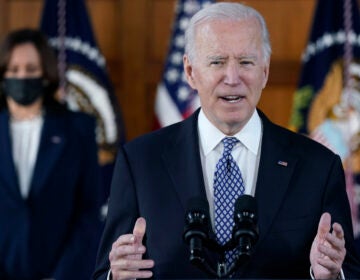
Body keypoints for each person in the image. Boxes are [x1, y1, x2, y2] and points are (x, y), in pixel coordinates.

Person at [93, 2, 360, 279]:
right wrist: (117, 275)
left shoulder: (318, 166)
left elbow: (348, 270)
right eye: (217, 62)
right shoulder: (140, 162)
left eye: (246, 62)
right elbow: (104, 272)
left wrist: (328, 275)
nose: (233, 78)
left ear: (265, 71)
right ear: (190, 71)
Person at [0, 28, 102, 279]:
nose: (22, 77)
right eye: (14, 70)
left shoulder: (79, 129)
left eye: (31, 69)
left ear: (46, 74)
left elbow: (89, 212)